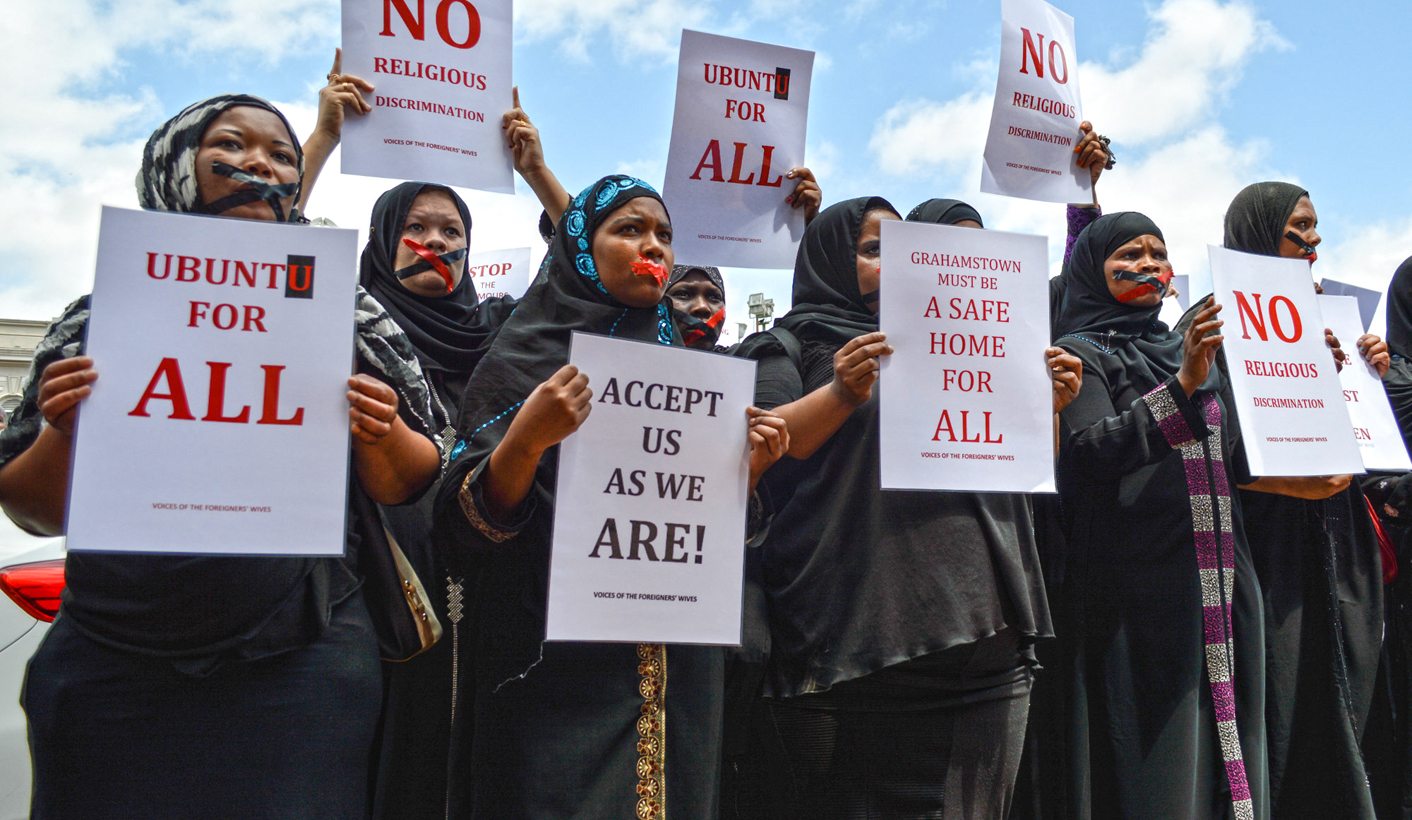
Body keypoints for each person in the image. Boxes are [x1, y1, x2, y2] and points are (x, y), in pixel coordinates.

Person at [0, 94, 441, 818]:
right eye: (231, 146)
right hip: (113, 663)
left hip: (300, 663)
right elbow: (32, 509)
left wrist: (381, 430)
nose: (257, 165)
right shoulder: (98, 317)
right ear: (176, 167)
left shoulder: (346, 312)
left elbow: (413, 480)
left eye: (280, 156)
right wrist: (63, 430)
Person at [432, 175, 789, 818]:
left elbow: (702, 525)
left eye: (664, 234)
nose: (652, 246)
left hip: (679, 669)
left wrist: (749, 473)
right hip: (555, 670)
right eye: (629, 229)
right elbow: (465, 529)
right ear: (579, 248)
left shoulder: (692, 374)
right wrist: (527, 441)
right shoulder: (523, 361)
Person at [733, 196, 1072, 817]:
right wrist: (840, 392)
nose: (892, 264)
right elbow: (755, 445)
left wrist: (1046, 404)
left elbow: (1033, 471)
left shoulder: (973, 344)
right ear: (832, 261)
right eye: (872, 250)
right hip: (856, 650)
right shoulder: (788, 346)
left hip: (987, 645)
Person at [1053, 211, 1268, 818]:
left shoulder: (1191, 344)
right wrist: (1182, 384)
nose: (1148, 264)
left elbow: (1233, 455)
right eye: (1129, 254)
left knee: (1231, 755)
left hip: (1222, 580)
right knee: (1158, 766)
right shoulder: (1078, 353)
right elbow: (1091, 451)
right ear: (1093, 270)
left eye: (1157, 253)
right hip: (1139, 592)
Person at [1186, 181, 1388, 818]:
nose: (1313, 241)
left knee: (1346, 694)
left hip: (1336, 535)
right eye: (1297, 229)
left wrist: (1368, 371)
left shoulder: (1329, 314)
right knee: (1278, 699)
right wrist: (1291, 480)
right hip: (1265, 542)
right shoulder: (1213, 320)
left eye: (1315, 228)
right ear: (1258, 231)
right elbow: (1209, 438)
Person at [356, 181, 514, 819]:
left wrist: (534, 172)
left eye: (453, 233)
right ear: (381, 240)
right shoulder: (354, 327)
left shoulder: (499, 335)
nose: (436, 244)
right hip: (379, 591)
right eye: (417, 228)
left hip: (488, 588)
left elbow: (583, 282)